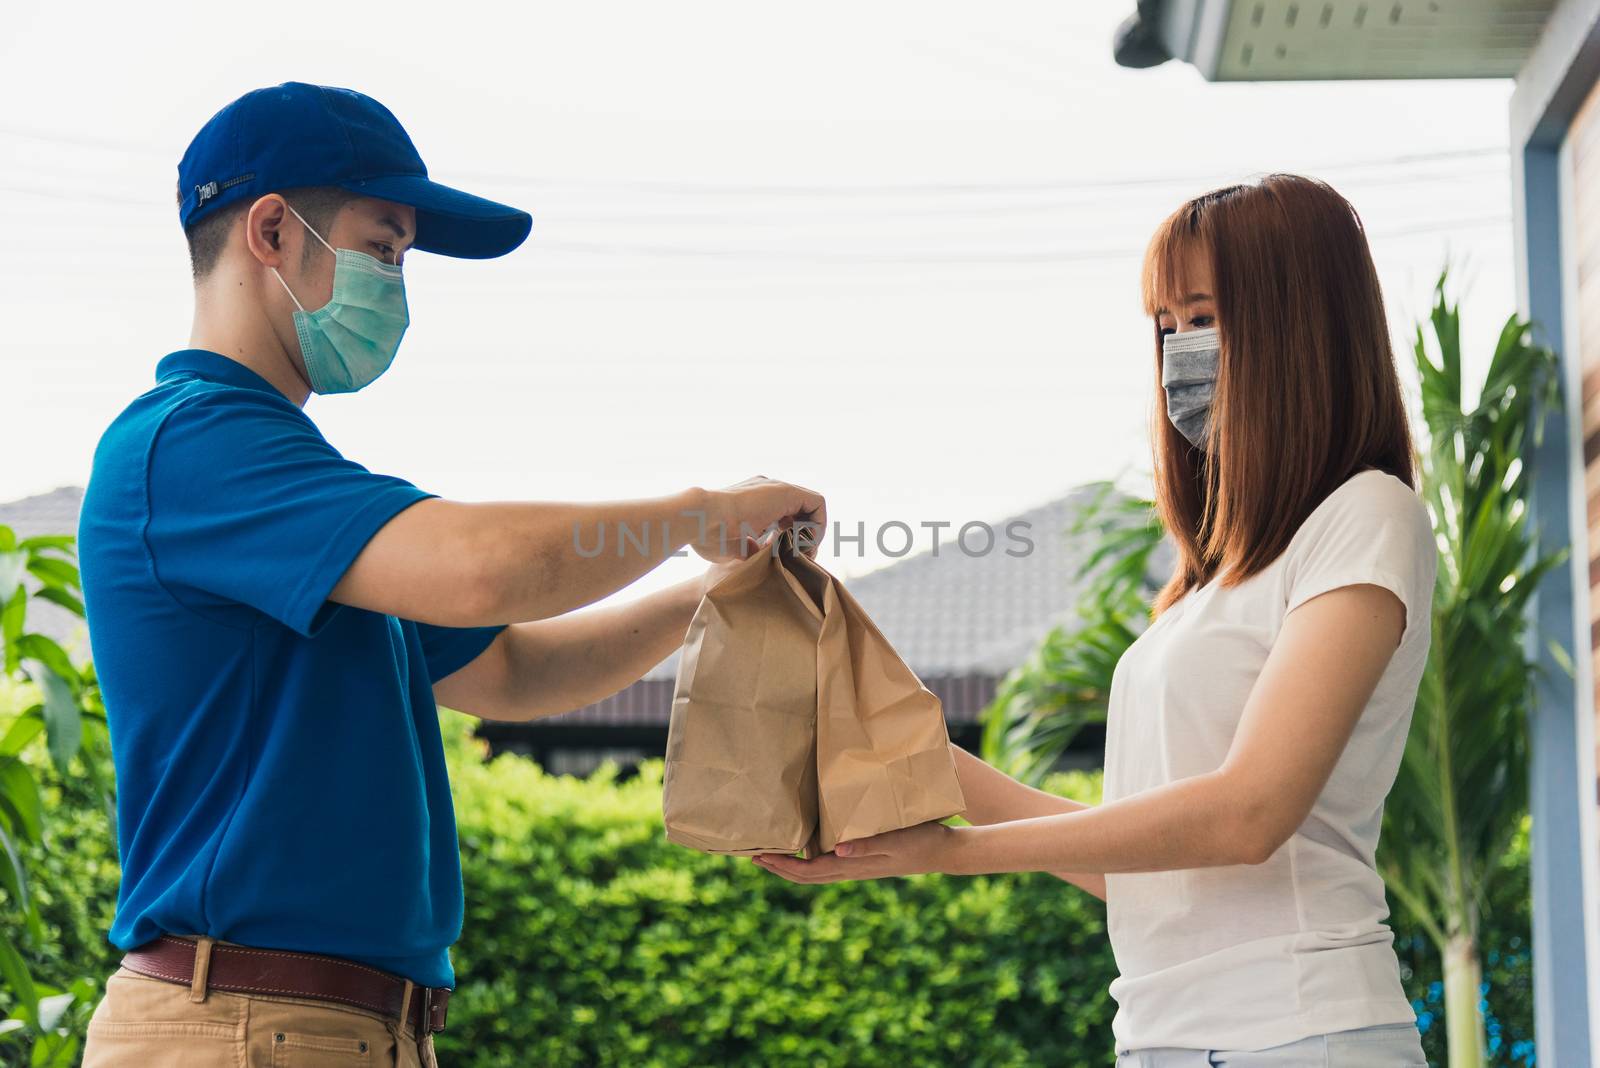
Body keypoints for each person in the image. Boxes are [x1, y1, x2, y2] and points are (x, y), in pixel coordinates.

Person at [77, 81, 824, 1068]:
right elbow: (485, 571)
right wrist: (700, 517)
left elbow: (512, 671)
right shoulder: (192, 449)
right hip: (246, 1025)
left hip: (328, 1026)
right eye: (382, 247)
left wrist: (718, 590)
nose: (396, 286)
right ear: (270, 230)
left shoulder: (298, 496)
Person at [755, 174, 1435, 1068]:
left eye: (1205, 317)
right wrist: (918, 759)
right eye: (1167, 327)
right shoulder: (1207, 585)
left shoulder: (1366, 516)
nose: (1180, 352)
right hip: (1165, 1038)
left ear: (1298, 328)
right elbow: (1145, 872)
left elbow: (1247, 816)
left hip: (1297, 1029)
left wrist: (950, 854)